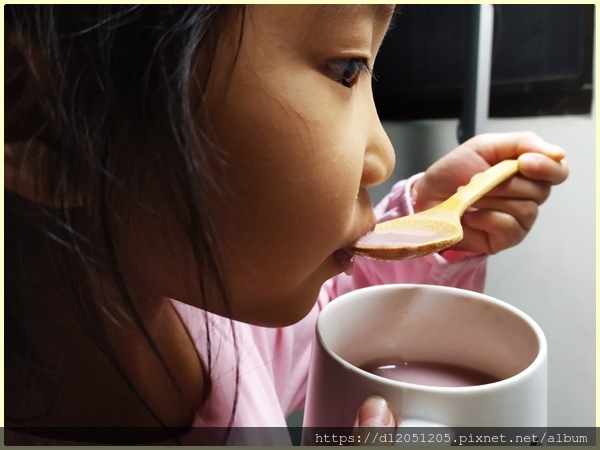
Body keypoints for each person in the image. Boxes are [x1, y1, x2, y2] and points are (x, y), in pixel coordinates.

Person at [4, 4, 568, 445]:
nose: (384, 156)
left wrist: (426, 224)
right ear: (44, 122)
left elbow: (328, 329)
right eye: (347, 69)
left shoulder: (207, 313)